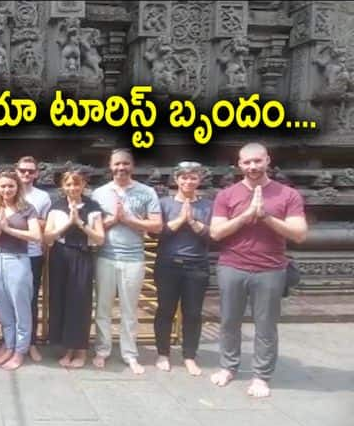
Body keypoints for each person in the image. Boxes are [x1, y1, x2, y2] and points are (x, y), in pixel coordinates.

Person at [209, 143, 308, 398]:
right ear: (239, 165)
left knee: (266, 325)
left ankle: (261, 376)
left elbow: (299, 233)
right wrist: (245, 216)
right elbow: (215, 232)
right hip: (232, 266)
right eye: (247, 162)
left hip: (270, 269)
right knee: (229, 321)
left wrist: (265, 217)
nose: (252, 167)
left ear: (267, 161)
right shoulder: (226, 195)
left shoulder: (288, 195)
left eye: (257, 161)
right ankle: (228, 366)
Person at [91, 149, 162, 374]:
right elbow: (94, 227)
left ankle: (129, 353)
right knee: (103, 307)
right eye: (117, 164)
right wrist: (114, 220)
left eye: (125, 164)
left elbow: (157, 225)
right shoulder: (99, 193)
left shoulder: (146, 192)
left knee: (130, 309)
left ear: (132, 166)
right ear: (110, 167)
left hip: (134, 257)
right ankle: (102, 350)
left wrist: (129, 220)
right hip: (106, 256)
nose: (121, 168)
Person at [153, 161, 213, 376]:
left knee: (193, 313)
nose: (188, 181)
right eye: (184, 177)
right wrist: (180, 220)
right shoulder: (164, 203)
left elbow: (213, 236)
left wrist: (194, 223)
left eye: (193, 177)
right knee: (165, 310)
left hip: (197, 265)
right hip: (168, 264)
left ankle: (189, 356)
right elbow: (157, 232)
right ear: (176, 179)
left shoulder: (207, 206)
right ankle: (163, 353)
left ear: (199, 180)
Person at [44, 170, 104, 368]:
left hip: (82, 255)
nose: (72, 188)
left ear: (83, 184)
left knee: (80, 301)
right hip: (60, 255)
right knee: (61, 299)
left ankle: (81, 350)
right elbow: (48, 237)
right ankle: (66, 348)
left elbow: (100, 238)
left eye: (76, 184)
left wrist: (80, 224)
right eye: (68, 184)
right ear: (63, 186)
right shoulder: (56, 207)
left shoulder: (93, 207)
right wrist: (68, 224)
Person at [0, 170, 43, 371]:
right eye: (3, 186)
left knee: (21, 308)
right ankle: (9, 345)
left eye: (10, 185)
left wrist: (10, 230)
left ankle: (20, 350)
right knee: (3, 308)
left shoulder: (27, 209)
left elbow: (36, 236)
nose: (6, 189)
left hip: (18, 261)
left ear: (17, 187)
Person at [15, 156, 51, 363]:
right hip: (10, 252)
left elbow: (47, 222)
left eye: (30, 171)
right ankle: (10, 341)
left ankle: (31, 343)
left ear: (36, 173)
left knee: (30, 300)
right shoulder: (8, 191)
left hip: (33, 253)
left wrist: (27, 219)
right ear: (16, 171)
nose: (26, 174)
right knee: (10, 299)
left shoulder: (43, 197)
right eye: (23, 170)